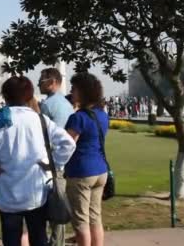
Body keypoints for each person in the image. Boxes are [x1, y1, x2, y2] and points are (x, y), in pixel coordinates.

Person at [0, 76, 77, 246]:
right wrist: (54, 163)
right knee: (38, 237)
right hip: (35, 191)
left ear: (5, 95)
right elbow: (68, 143)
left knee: (11, 239)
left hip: (6, 191)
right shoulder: (40, 120)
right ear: (29, 95)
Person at [64, 73, 109, 246]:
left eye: (74, 89)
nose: (71, 92)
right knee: (95, 218)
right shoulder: (102, 115)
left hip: (81, 172)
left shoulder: (78, 118)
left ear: (83, 92)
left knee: (81, 221)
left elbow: (67, 145)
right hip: (100, 170)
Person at [38, 68, 75, 246]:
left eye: (41, 81)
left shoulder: (47, 105)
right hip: (63, 161)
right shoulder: (67, 104)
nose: (38, 84)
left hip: (49, 162)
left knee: (46, 207)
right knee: (59, 206)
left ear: (52, 82)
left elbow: (43, 136)